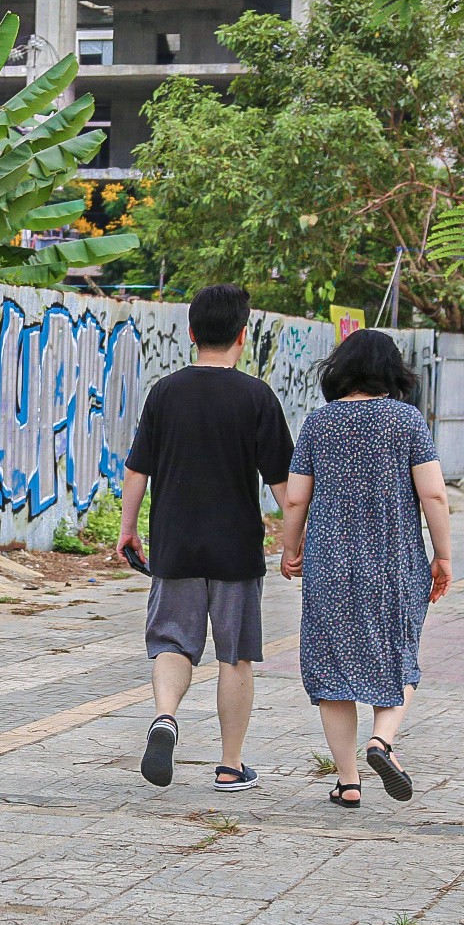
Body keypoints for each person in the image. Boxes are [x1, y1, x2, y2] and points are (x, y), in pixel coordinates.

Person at [116, 284, 295, 794]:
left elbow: (137, 471)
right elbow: (285, 488)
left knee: (172, 641)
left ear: (191, 333)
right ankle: (229, 765)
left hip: (175, 544)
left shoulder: (165, 392)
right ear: (244, 335)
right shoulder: (257, 397)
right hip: (236, 549)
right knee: (234, 655)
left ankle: (166, 717)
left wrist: (128, 529)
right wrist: (295, 541)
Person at [277, 331, 451, 810]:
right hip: (396, 563)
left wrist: (290, 549)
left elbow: (295, 497)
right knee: (399, 652)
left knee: (333, 667)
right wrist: (443, 556)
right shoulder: (407, 421)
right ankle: (383, 740)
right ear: (393, 371)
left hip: (330, 565)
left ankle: (348, 782)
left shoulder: (319, 423)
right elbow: (433, 494)